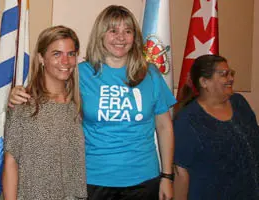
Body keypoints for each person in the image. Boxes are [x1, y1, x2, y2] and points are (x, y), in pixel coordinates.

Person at [9, 5, 176, 200]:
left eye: (128, 31)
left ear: (135, 37)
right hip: (93, 180)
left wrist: (167, 176)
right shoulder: (80, 73)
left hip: (144, 179)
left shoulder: (150, 74)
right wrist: (18, 92)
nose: (121, 38)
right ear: (101, 35)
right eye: (113, 31)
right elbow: (47, 87)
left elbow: (165, 127)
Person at [2, 25, 87, 200]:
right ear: (41, 58)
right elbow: (11, 164)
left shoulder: (78, 104)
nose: (65, 61)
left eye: (70, 54)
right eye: (57, 54)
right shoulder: (24, 104)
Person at [173, 54, 259, 200]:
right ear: (204, 82)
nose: (231, 78)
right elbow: (181, 173)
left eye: (231, 73)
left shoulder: (239, 103)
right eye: (224, 74)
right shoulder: (187, 120)